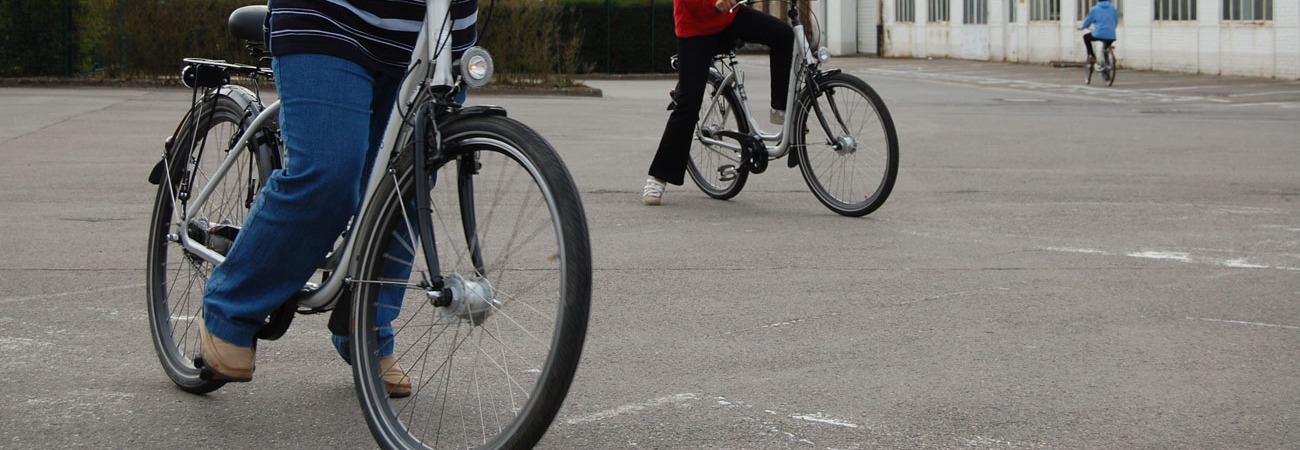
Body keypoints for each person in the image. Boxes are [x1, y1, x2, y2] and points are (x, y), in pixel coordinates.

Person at [198, 0, 477, 397]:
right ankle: (230, 311)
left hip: (437, 32)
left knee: (405, 186)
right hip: (333, 17)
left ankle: (366, 326)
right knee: (329, 173)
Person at [642, 0, 794, 206]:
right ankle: (658, 177)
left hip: (729, 18)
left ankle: (781, 110)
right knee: (688, 105)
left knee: (783, 34)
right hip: (695, 29)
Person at [1079, 0, 1118, 65]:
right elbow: (1115, 20)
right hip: (1111, 34)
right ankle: (1107, 64)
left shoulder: (1094, 9)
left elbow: (1088, 21)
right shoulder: (1113, 8)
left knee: (1086, 37)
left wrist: (1082, 27)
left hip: (1099, 34)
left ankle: (1092, 56)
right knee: (1106, 47)